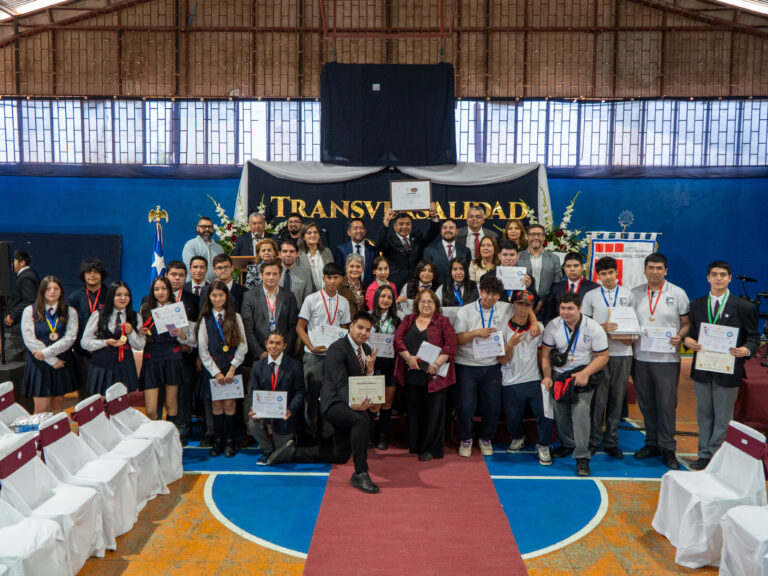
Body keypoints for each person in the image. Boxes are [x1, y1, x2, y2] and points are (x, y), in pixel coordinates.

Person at [683, 260, 759, 470]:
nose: (718, 278)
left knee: (723, 417)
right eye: (714, 274)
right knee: (704, 414)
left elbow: (753, 337)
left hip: (728, 368)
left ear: (729, 278)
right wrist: (687, 341)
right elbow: (691, 334)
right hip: (703, 368)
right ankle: (703, 454)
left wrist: (747, 349)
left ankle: (716, 457)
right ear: (708, 278)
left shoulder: (744, 307)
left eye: (723, 274)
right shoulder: (697, 305)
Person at [631, 252, 690, 470]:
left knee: (666, 404)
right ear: (644, 270)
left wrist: (681, 336)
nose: (655, 272)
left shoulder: (678, 293)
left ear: (666, 270)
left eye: (659, 268)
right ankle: (652, 443)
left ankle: (668, 448)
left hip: (667, 359)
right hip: (640, 358)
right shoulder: (635, 293)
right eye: (651, 268)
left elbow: (686, 323)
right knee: (646, 404)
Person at [541, 291, 609, 477]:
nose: (565, 312)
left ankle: (582, 457)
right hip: (561, 376)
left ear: (579, 308)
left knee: (580, 410)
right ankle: (568, 443)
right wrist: (547, 376)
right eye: (562, 308)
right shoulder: (553, 326)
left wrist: (586, 372)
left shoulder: (593, 327)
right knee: (559, 409)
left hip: (583, 376)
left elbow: (603, 356)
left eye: (570, 308)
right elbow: (546, 354)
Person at [319, 311, 381, 493]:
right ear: (351, 326)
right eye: (360, 327)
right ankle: (360, 474)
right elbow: (340, 384)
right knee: (361, 419)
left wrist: (370, 371)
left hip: (351, 400)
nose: (364, 332)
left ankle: (294, 453)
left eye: (368, 330)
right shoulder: (338, 348)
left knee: (339, 455)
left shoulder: (367, 350)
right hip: (333, 401)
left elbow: (364, 382)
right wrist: (352, 403)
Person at [580, 256, 635, 458]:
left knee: (616, 397)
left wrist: (630, 338)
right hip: (599, 354)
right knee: (598, 399)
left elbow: (635, 323)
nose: (608, 277)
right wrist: (602, 328)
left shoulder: (629, 295)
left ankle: (611, 441)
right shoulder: (591, 296)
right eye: (603, 274)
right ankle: (594, 439)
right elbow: (584, 324)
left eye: (611, 272)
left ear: (617, 273)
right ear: (598, 276)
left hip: (623, 352)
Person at [394, 289, 456, 460]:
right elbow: (397, 340)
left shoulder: (443, 322)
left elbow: (450, 347)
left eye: (430, 301)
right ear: (417, 304)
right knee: (415, 412)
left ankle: (430, 449)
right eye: (423, 301)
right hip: (412, 374)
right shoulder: (408, 319)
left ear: (436, 304)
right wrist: (408, 358)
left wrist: (437, 364)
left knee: (434, 413)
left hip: (434, 376)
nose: (426, 304)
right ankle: (416, 445)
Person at [453, 275, 510, 457]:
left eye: (494, 294)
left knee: (493, 405)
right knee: (466, 405)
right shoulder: (466, 311)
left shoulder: (504, 309)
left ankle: (486, 438)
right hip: (466, 365)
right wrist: (477, 333)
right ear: (480, 291)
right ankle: (466, 438)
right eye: (486, 293)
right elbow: (457, 340)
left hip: (491, 365)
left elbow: (526, 309)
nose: (489, 298)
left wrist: (533, 322)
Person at [296, 263, 351, 439]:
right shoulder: (311, 299)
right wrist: (311, 346)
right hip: (313, 355)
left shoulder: (344, 302)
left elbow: (345, 329)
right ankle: (310, 434)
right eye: (329, 277)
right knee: (311, 395)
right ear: (323, 278)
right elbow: (299, 327)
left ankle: (328, 434)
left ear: (341, 279)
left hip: (334, 358)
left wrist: (340, 353)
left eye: (336, 277)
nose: (332, 281)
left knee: (331, 396)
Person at [499, 291, 551, 465]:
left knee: (545, 413)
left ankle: (543, 445)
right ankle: (518, 437)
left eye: (527, 305)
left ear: (531, 308)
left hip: (533, 379)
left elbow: (542, 355)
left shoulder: (539, 328)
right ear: (514, 304)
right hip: (510, 380)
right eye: (520, 304)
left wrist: (545, 377)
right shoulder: (503, 327)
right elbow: (501, 359)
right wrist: (510, 345)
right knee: (512, 417)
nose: (523, 308)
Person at [197, 280, 248, 458]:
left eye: (221, 295)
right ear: (209, 297)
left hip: (232, 368)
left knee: (230, 404)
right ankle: (218, 440)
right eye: (214, 295)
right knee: (216, 405)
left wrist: (233, 368)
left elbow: (243, 346)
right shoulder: (205, 319)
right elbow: (203, 350)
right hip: (214, 370)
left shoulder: (236, 317)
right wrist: (216, 372)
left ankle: (230, 441)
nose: (217, 298)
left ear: (227, 296)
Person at [20, 276, 78, 414]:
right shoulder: (30, 310)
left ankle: (56, 435)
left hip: (61, 363)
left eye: (56, 288)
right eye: (48, 289)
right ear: (41, 291)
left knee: (57, 408)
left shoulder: (70, 311)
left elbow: (70, 338)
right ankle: (37, 436)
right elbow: (30, 339)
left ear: (61, 291)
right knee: (41, 411)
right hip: (39, 364)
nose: (52, 291)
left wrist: (47, 354)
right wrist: (51, 359)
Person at [139, 276, 192, 423]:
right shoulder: (145, 308)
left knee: (171, 403)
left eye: (163, 288)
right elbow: (138, 336)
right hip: (151, 355)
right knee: (150, 410)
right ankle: (155, 436)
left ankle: (172, 436)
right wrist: (140, 332)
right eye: (157, 289)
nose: (160, 292)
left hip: (172, 355)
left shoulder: (178, 308)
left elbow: (188, 337)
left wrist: (181, 334)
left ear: (169, 290)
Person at [248, 330, 304, 465]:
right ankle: (266, 450)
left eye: (278, 343)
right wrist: (253, 408)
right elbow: (253, 391)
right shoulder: (257, 366)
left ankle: (281, 448)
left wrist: (290, 410)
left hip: (284, 414)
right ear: (266, 344)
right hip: (265, 412)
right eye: (271, 343)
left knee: (283, 454)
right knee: (252, 423)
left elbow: (300, 392)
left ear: (284, 346)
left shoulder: (295, 365)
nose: (274, 346)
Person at [81, 281, 144, 396]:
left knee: (121, 404)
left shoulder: (135, 317)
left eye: (126, 295)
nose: (123, 298)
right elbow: (85, 343)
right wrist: (105, 342)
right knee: (102, 403)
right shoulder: (98, 315)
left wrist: (131, 333)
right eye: (118, 294)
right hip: (102, 364)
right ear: (111, 296)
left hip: (125, 364)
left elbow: (140, 345)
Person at [166, 260, 203, 441]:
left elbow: (198, 330)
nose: (177, 278)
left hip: (187, 353)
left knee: (185, 390)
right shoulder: (156, 298)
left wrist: (196, 354)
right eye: (174, 275)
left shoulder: (194, 300)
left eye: (181, 275)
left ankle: (183, 425)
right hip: (163, 354)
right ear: (167, 276)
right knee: (167, 390)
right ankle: (167, 424)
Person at [241, 260, 298, 362]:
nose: (271, 277)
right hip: (259, 355)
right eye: (268, 274)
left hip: (283, 354)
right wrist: (260, 353)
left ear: (280, 276)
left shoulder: (289, 296)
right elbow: (247, 329)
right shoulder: (249, 296)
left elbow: (293, 327)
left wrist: (283, 350)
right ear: (261, 275)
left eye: (275, 274)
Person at [375, 206, 440, 293]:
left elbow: (433, 232)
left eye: (407, 224)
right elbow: (379, 245)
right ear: (394, 226)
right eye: (401, 224)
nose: (404, 226)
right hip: (396, 284)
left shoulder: (418, 237)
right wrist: (386, 222)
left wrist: (433, 217)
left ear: (411, 225)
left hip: (415, 285)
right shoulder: (389, 240)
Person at [68, 258, 108, 400]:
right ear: (83, 275)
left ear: (102, 274)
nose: (92, 275)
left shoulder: (111, 295)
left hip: (106, 351)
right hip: (82, 352)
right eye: (88, 272)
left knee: (107, 390)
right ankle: (86, 420)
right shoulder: (74, 298)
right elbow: (71, 327)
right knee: (85, 390)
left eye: (96, 272)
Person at [370, 284, 401, 450]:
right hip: (371, 364)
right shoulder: (367, 317)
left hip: (390, 364)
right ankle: (367, 435)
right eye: (383, 296)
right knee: (372, 402)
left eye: (389, 297)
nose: (386, 300)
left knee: (387, 402)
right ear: (377, 298)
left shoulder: (397, 319)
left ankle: (383, 436)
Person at [518, 223, 563, 314]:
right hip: (523, 305)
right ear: (527, 237)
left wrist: (542, 301)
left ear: (544, 237)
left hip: (547, 306)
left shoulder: (554, 258)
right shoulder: (518, 257)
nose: (536, 237)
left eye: (539, 234)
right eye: (532, 234)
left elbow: (557, 284)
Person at [4, 250, 40, 361]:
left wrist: (13, 315)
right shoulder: (27, 275)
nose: (11, 264)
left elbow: (30, 300)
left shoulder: (26, 277)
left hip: (18, 328)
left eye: (13, 261)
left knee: (13, 361)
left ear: (22, 262)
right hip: (19, 326)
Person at [543, 252, 598, 325]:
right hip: (560, 330)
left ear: (582, 267)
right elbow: (548, 314)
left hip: (585, 330)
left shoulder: (593, 288)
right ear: (564, 269)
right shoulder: (556, 288)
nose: (572, 269)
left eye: (576, 266)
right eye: (568, 266)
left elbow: (596, 315)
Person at [422, 218, 471, 283]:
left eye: (451, 228)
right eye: (444, 228)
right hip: (437, 289)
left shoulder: (465, 251)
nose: (448, 230)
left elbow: (466, 273)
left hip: (459, 290)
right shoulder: (429, 250)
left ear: (456, 231)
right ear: (441, 231)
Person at [334, 218, 377, 285]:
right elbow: (338, 273)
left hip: (368, 289)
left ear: (365, 231)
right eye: (355, 228)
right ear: (349, 232)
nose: (359, 231)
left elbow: (375, 272)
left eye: (361, 228)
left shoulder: (373, 250)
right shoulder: (341, 250)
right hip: (347, 290)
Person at [182, 216, 224, 283]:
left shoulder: (219, 248)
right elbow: (190, 268)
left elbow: (222, 268)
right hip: (196, 287)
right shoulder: (191, 245)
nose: (207, 229)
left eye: (210, 227)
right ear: (197, 228)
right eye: (204, 227)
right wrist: (205, 284)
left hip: (215, 287)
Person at [297, 221, 334, 293]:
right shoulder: (298, 254)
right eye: (309, 233)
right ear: (303, 237)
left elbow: (332, 272)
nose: (313, 235)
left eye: (315, 232)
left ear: (319, 235)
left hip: (326, 293)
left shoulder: (326, 251)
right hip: (307, 295)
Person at [277, 239, 312, 310]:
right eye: (285, 251)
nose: (288, 255)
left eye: (292, 251)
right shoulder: (271, 274)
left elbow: (308, 302)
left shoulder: (305, 275)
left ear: (297, 254)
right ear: (279, 254)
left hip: (297, 317)